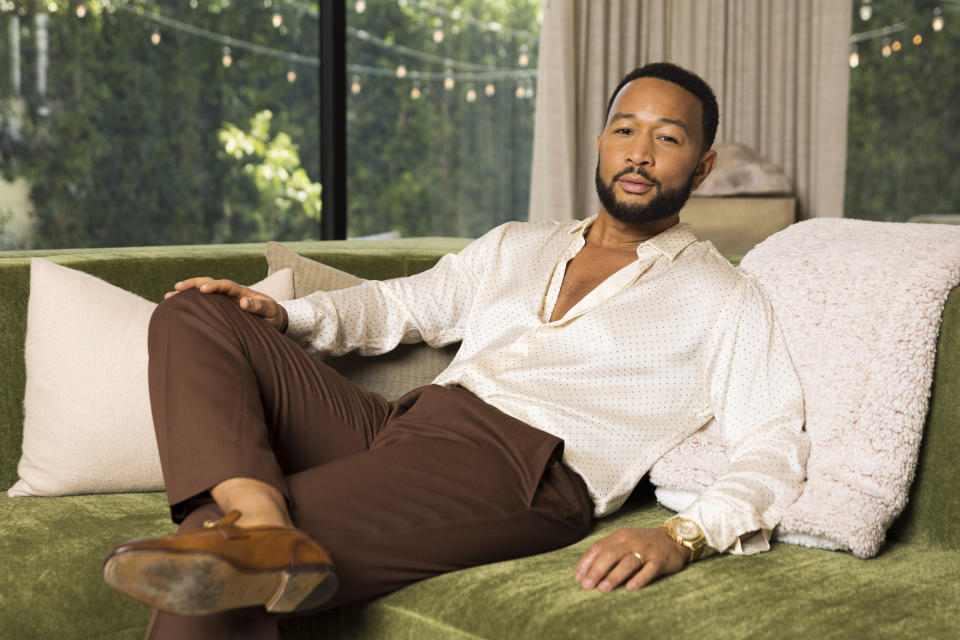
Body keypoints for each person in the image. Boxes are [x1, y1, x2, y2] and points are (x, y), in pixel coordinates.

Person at [104, 62, 808, 639]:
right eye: (625, 130)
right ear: (600, 143)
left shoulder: (723, 296)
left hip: (520, 471)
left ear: (704, 163)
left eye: (668, 139)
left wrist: (681, 536)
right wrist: (284, 313)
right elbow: (400, 305)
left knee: (208, 549)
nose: (640, 153)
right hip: (405, 426)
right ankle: (259, 519)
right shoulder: (516, 243)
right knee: (200, 310)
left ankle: (248, 537)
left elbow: (772, 441)